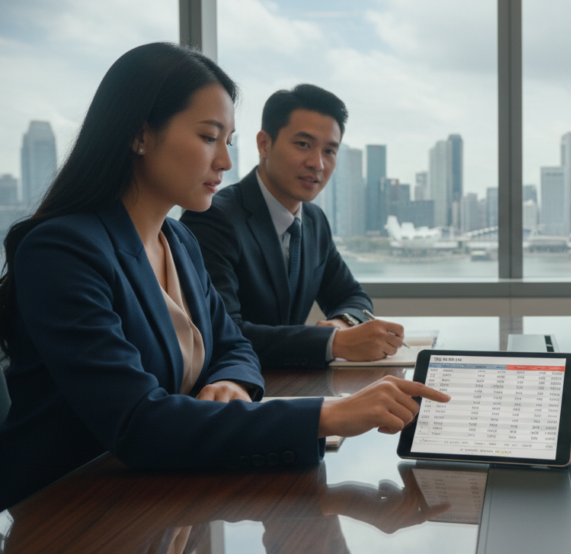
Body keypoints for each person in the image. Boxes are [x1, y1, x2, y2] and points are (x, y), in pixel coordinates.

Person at [0, 43, 448, 510]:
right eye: (209, 137)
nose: (226, 163)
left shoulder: (177, 240)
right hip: (65, 511)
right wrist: (328, 413)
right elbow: (137, 423)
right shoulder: (62, 251)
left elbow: (234, 345)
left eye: (227, 141)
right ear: (140, 134)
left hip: (161, 496)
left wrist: (233, 384)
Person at [181, 85, 402, 370]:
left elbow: (351, 296)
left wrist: (339, 324)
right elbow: (223, 332)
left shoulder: (314, 221)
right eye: (303, 145)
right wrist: (334, 342)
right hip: (231, 390)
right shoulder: (213, 218)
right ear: (264, 144)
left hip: (292, 382)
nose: (317, 163)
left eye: (330, 151)